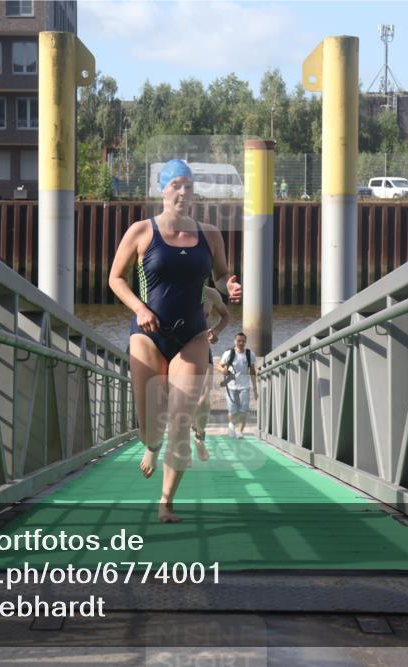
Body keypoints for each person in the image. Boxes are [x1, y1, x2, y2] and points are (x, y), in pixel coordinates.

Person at [108, 159, 242, 523]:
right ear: (162, 190)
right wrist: (138, 308)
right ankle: (151, 445)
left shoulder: (210, 234)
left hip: (193, 335)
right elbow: (115, 279)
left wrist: (228, 284)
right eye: (176, 185)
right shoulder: (141, 231)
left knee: (181, 419)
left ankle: (166, 501)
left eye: (189, 187)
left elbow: (222, 274)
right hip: (148, 336)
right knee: (150, 419)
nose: (183, 193)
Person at [191, 285, 230, 460]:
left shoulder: (211, 294)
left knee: (204, 399)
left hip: (202, 347)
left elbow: (225, 315)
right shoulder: (173, 286)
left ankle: (200, 437)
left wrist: (215, 331)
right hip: (177, 348)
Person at [217, 332, 258, 438]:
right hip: (230, 386)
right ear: (235, 341)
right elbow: (219, 366)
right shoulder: (228, 353)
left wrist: (255, 388)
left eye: (243, 341)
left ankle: (240, 431)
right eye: (239, 341)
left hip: (244, 387)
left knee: (244, 411)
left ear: (245, 342)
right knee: (232, 410)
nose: (241, 343)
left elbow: (252, 372)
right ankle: (231, 426)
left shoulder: (250, 354)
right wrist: (223, 371)